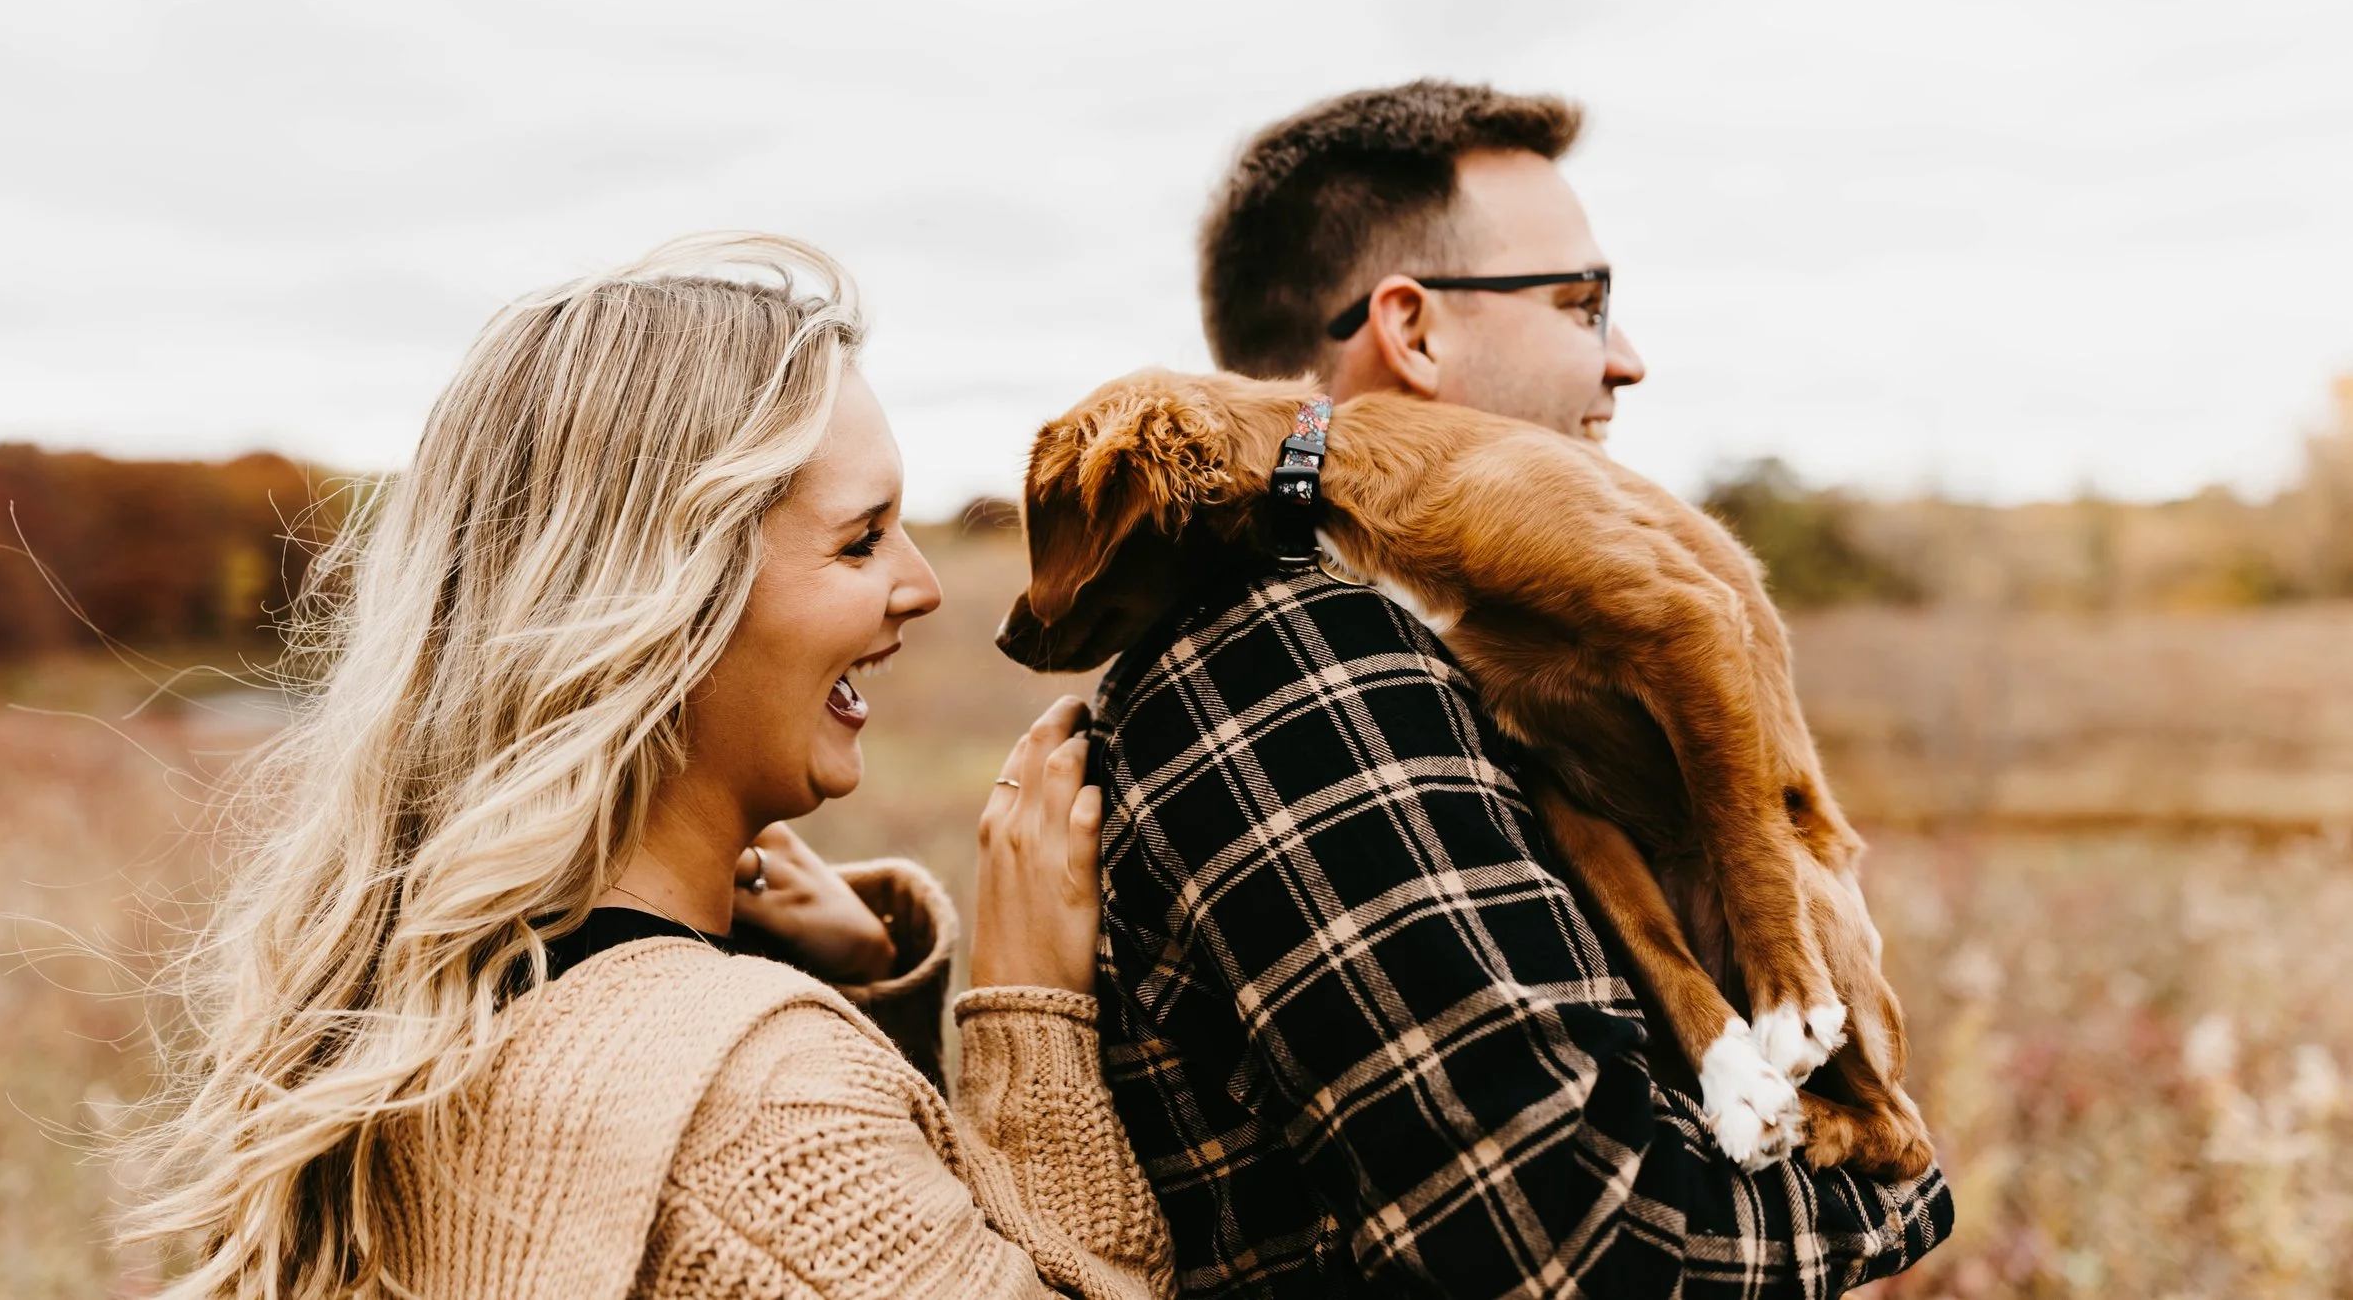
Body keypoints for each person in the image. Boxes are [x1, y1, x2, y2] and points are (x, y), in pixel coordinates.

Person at [121, 234, 1174, 1300]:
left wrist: (855, 990)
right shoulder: (759, 1112)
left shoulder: (417, 1016)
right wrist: (1032, 1017)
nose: (923, 585)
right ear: (669, 602)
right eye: (861, 540)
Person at [1087, 81, 1954, 1295]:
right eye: (1580, 303)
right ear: (1414, 330)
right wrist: (1903, 1190)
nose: (1628, 359)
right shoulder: (1302, 672)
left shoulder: (1420, 649)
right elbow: (1573, 1247)